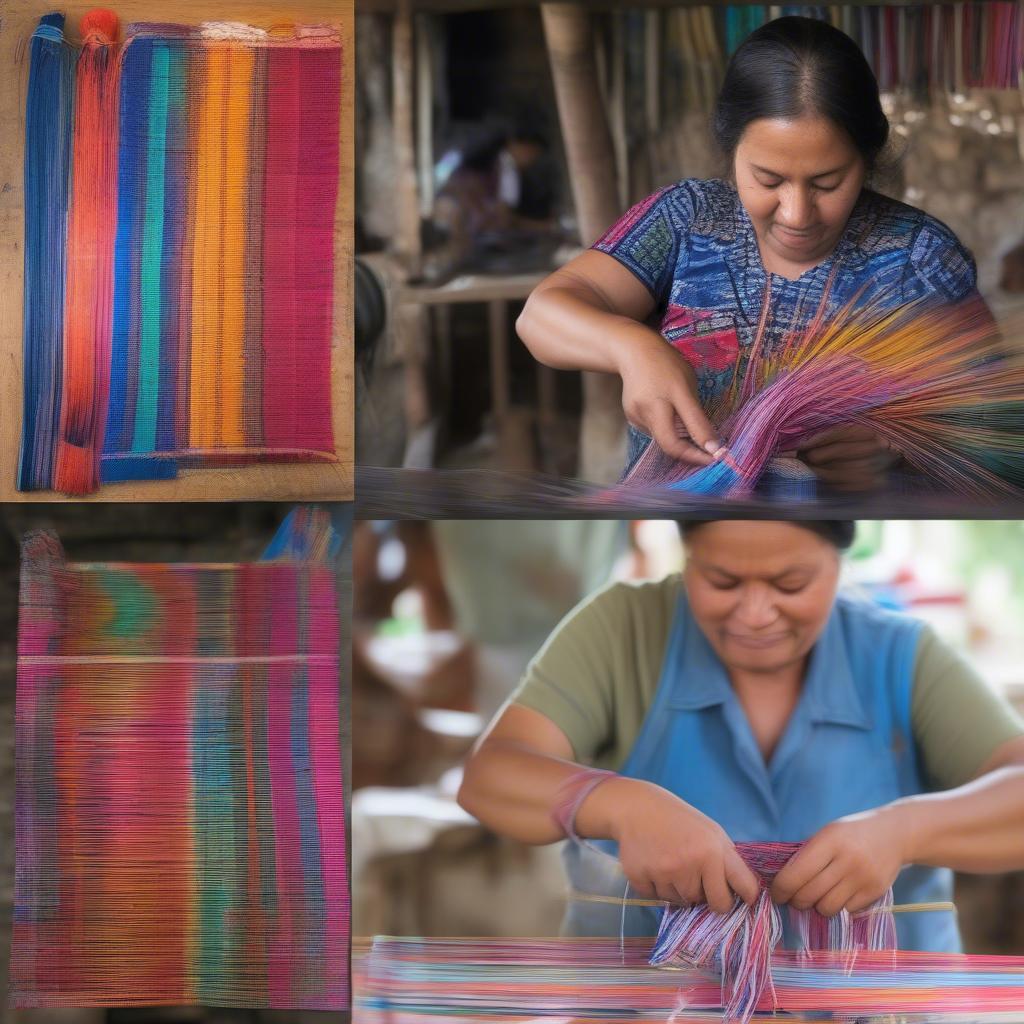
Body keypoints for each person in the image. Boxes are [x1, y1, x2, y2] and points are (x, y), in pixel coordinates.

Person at [458, 520, 1024, 951]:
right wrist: (618, 804)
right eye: (721, 581)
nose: (755, 614)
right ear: (687, 557)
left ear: (838, 563)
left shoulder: (901, 655)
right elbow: (491, 776)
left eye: (791, 583)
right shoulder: (622, 629)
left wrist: (903, 832)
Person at [515, 17, 990, 490]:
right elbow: (540, 317)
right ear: (732, 148)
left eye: (828, 183)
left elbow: (995, 424)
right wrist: (632, 347)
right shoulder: (686, 220)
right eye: (768, 180)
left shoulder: (920, 259)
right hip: (675, 522)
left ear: (866, 159)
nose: (797, 213)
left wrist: (900, 449)